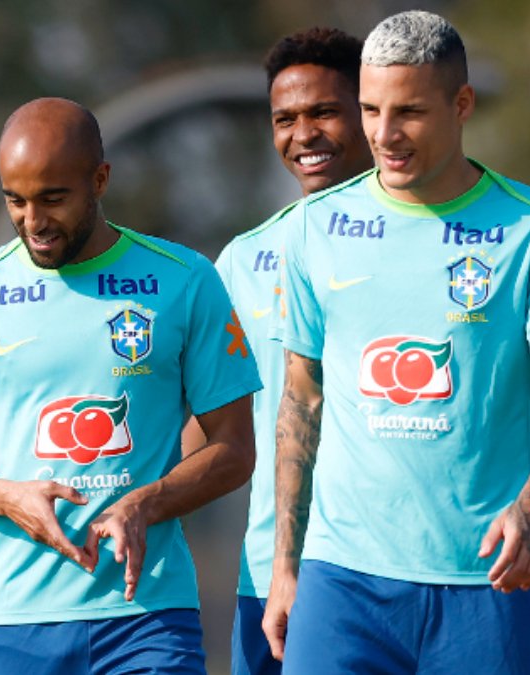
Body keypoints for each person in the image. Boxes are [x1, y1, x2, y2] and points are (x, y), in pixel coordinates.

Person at [261, 11, 530, 674]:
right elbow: (299, 402)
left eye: (409, 112)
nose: (384, 135)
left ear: (461, 105)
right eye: (369, 109)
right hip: (343, 581)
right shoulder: (314, 227)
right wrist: (285, 567)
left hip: (486, 577)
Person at [0, 97, 262, 674]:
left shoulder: (185, 279)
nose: (33, 221)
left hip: (150, 614)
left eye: (53, 199)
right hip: (19, 623)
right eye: (15, 201)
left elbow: (234, 448)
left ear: (100, 179)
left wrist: (148, 502)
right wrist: (6, 495)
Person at [181, 26, 371, 675]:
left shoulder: (429, 239)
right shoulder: (242, 259)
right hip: (267, 577)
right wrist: (128, 498)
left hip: (387, 577)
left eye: (324, 111)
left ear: (368, 110)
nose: (304, 134)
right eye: (285, 118)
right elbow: (206, 423)